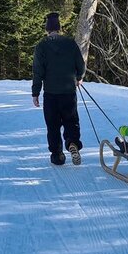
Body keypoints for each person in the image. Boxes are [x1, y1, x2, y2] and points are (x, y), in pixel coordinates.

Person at [32, 12, 86, 166]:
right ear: (59, 28)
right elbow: (80, 65)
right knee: (71, 121)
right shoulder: (70, 44)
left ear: (47, 29)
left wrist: (35, 93)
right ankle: (72, 143)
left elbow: (38, 72)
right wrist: (79, 77)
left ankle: (57, 155)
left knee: (53, 125)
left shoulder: (41, 46)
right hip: (68, 92)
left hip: (51, 94)